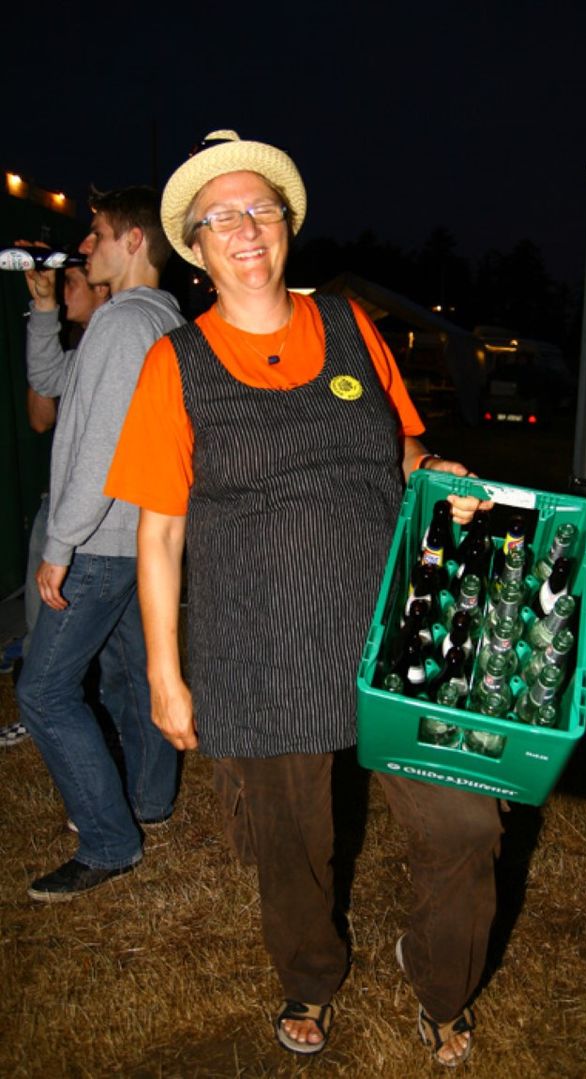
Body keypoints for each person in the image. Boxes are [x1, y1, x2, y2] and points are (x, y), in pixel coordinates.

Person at [105, 132, 503, 1067]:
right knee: (291, 842)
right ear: (195, 247)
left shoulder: (353, 326)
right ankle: (310, 975)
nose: (245, 228)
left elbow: (398, 447)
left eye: (261, 208)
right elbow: (159, 532)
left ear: (286, 224)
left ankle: (440, 979)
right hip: (261, 645)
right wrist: (165, 672)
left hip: (398, 631)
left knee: (466, 821)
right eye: (221, 218)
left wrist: (433, 469)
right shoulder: (174, 363)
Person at [16, 187, 184, 902]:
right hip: (131, 539)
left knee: (44, 693)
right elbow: (53, 382)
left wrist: (60, 542)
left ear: (134, 240)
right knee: (128, 678)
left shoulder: (122, 324)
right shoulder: (158, 319)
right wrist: (45, 310)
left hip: (100, 541)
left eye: (97, 233)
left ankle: (111, 840)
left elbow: (101, 450)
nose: (84, 246)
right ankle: (149, 801)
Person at [0, 260, 110, 750]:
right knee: (39, 620)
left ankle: (69, 711)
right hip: (60, 500)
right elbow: (39, 416)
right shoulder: (72, 343)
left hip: (93, 512)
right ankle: (45, 713)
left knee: (91, 636)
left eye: (72, 282)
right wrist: (44, 323)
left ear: (102, 289)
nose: (63, 291)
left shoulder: (122, 340)